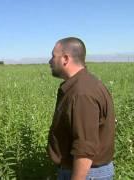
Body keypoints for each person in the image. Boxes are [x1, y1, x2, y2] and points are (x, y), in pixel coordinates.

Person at [47, 37, 115, 180]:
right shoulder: (83, 85)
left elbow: (84, 149)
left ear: (65, 59)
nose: (50, 61)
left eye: (53, 56)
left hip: (86, 173)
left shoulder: (81, 93)